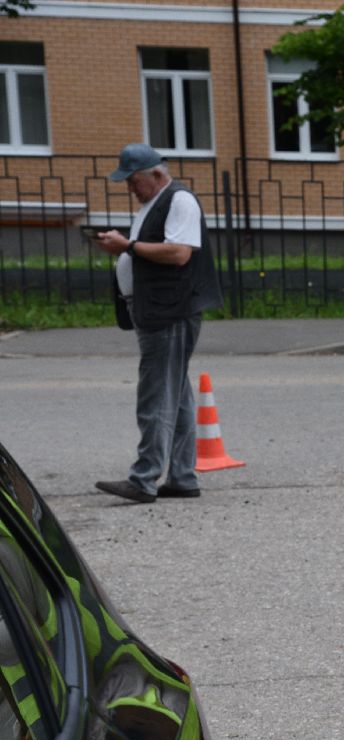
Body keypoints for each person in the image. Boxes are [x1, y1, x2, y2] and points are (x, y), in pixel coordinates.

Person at [91, 143, 222, 504]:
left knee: (155, 396)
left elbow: (179, 253)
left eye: (133, 181)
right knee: (174, 396)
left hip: (170, 313)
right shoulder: (154, 202)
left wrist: (127, 247)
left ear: (157, 174)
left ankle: (144, 478)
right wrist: (126, 247)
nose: (131, 189)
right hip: (157, 310)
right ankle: (182, 476)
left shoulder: (179, 200)